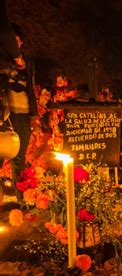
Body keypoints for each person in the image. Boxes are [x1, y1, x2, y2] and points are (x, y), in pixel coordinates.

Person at [0, 23, 38, 200]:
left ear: (21, 42)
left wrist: (33, 113)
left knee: (19, 157)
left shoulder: (28, 62)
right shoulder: (2, 61)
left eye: (16, 41)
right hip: (5, 113)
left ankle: (21, 198)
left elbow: (30, 87)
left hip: (23, 113)